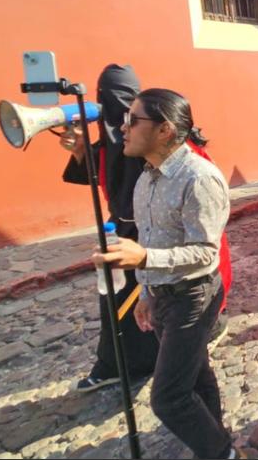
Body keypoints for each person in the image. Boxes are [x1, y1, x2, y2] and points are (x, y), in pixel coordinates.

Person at [94, 88, 241, 460]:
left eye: (133, 120)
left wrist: (143, 259)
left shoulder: (199, 179)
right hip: (161, 296)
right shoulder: (148, 177)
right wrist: (145, 293)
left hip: (193, 295)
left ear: (164, 130)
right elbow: (152, 236)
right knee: (197, 375)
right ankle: (216, 437)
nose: (123, 129)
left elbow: (206, 252)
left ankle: (221, 453)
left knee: (168, 398)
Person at [61, 64, 159, 391]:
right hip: (119, 233)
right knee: (115, 304)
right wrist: (80, 150)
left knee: (152, 301)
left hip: (152, 235)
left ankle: (157, 358)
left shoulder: (148, 134)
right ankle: (115, 364)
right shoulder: (111, 140)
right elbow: (100, 173)